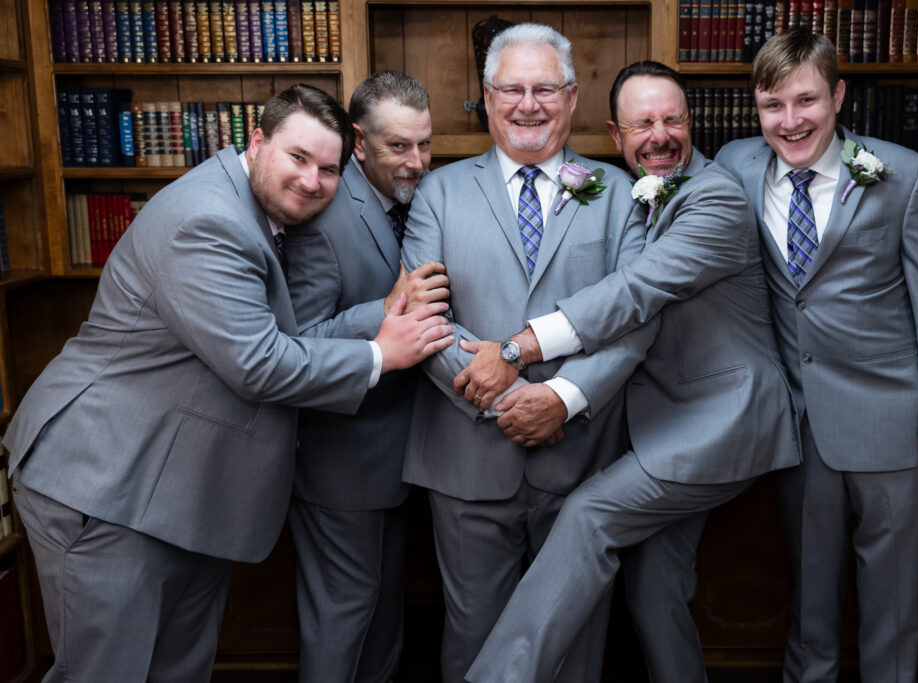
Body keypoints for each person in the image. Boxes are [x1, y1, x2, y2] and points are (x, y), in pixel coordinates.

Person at [1, 84, 453, 682]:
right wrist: (379, 355)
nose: (313, 182)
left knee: (178, 671)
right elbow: (259, 363)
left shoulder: (253, 205)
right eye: (298, 158)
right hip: (106, 478)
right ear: (258, 140)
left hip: (180, 486)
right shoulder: (208, 220)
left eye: (328, 169)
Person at [461, 60, 801, 683]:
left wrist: (519, 348)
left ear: (691, 123)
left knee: (588, 515)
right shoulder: (628, 192)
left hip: (721, 423)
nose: (661, 135)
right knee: (655, 590)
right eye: (643, 123)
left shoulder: (716, 198)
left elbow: (637, 290)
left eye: (673, 119)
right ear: (616, 136)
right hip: (665, 424)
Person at [399, 23, 656, 683]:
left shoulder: (616, 193)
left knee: (573, 641)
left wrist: (561, 401)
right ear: (487, 98)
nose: (528, 103)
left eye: (545, 88)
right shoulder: (440, 192)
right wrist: (511, 403)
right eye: (512, 88)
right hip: (465, 460)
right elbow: (423, 320)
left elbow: (634, 319)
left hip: (581, 460)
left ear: (571, 98)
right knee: (473, 643)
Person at [715, 28, 918, 682]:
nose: (791, 121)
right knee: (810, 605)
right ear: (757, 107)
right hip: (798, 431)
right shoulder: (736, 165)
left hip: (895, 426)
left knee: (891, 608)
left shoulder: (900, 174)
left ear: (838, 95)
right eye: (773, 105)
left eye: (806, 101)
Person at [284, 71, 445, 683]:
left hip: (397, 458)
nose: (417, 162)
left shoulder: (415, 199)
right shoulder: (324, 216)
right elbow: (294, 348)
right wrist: (381, 313)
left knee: (381, 622)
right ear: (358, 142)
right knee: (343, 619)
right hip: (339, 463)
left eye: (425, 144)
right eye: (398, 147)